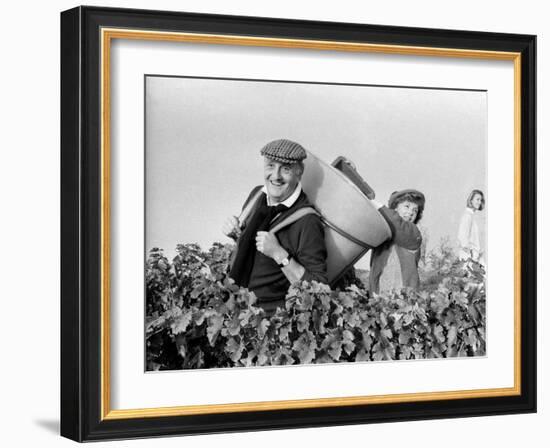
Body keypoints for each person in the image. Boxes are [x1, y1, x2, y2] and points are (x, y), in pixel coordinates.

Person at [222, 139, 328, 314]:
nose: (276, 176)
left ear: (299, 172)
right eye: (270, 166)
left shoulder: (307, 221)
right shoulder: (257, 195)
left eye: (285, 169)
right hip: (238, 308)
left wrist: (280, 255)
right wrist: (236, 234)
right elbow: (251, 250)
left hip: (272, 322)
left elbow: (319, 292)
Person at [368, 189, 425, 293]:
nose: (411, 212)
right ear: (395, 209)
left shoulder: (413, 233)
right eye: (407, 206)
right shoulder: (384, 235)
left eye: (415, 210)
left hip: (404, 299)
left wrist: (374, 204)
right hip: (380, 296)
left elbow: (397, 224)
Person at [457, 189, 485, 264]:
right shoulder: (467, 216)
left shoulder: (472, 216)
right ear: (471, 200)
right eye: (477, 199)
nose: (479, 202)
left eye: (481, 200)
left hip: (474, 258)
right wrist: (472, 255)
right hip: (468, 259)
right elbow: (462, 238)